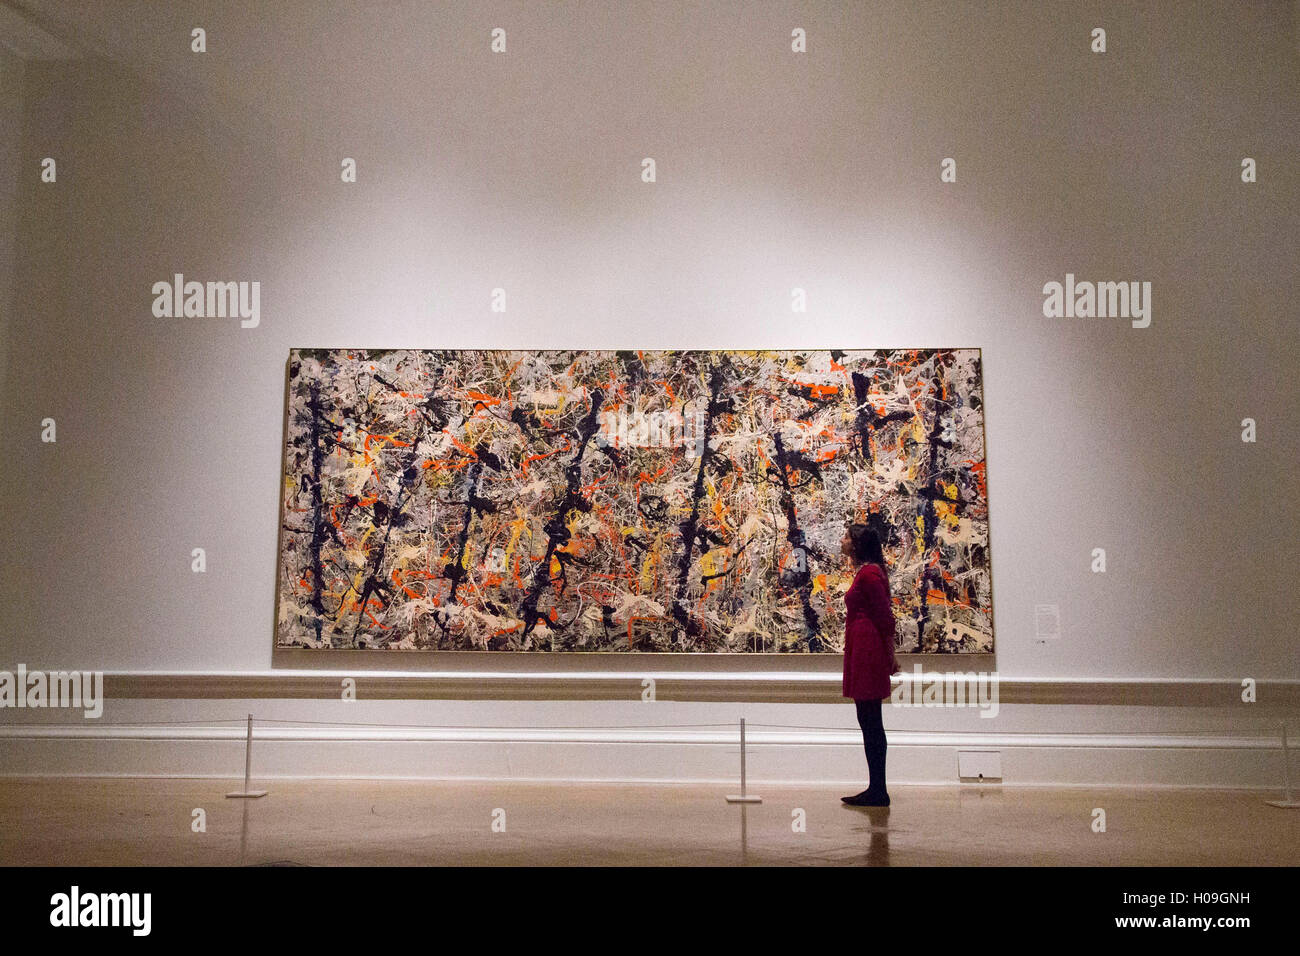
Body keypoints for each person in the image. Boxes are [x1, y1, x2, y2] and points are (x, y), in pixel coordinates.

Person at [839, 522, 900, 807]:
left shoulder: (870, 574)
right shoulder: (866, 573)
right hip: (862, 648)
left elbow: (886, 618)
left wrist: (889, 655)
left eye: (847, 536)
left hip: (868, 651)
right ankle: (876, 787)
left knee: (871, 721)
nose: (843, 540)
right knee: (868, 720)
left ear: (857, 543)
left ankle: (878, 789)